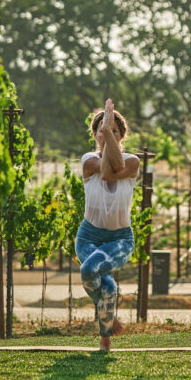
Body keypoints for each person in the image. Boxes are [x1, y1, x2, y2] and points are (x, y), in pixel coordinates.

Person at [76, 98, 140, 351]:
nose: (107, 134)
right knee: (108, 284)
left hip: (120, 240)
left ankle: (106, 328)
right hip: (88, 236)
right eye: (103, 130)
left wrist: (107, 128)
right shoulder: (87, 159)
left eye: (113, 130)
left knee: (90, 270)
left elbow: (111, 172)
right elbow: (102, 169)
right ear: (94, 134)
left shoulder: (133, 161)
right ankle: (106, 339)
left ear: (122, 136)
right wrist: (106, 127)